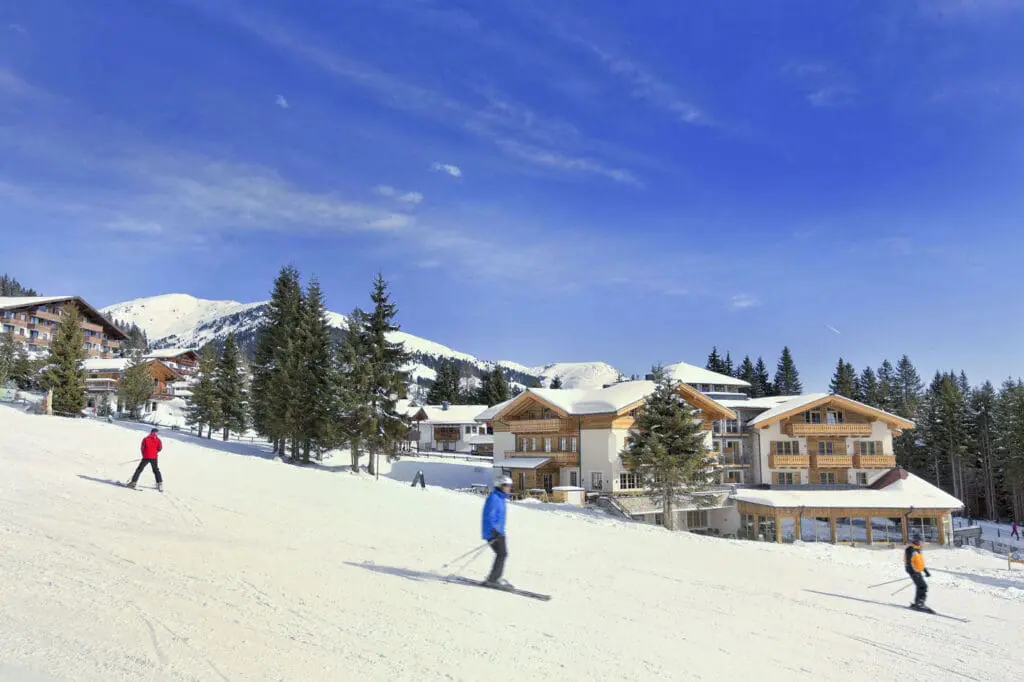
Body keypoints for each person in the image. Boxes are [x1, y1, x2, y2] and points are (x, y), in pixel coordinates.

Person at [481, 475, 512, 588]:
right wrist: (494, 532)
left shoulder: (500, 498)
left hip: (499, 532)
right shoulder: (494, 498)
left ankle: (494, 577)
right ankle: (493, 579)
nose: (509, 488)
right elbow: (488, 517)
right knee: (502, 554)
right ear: (500, 485)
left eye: (509, 485)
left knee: (502, 554)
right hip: (494, 532)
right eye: (506, 485)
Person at [904, 534, 931, 609]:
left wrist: (925, 571)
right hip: (912, 570)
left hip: (916, 571)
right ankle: (919, 603)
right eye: (919, 541)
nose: (920, 543)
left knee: (921, 586)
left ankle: (918, 602)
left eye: (921, 541)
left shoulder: (918, 549)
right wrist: (913, 572)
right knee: (923, 586)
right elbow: (909, 562)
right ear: (914, 541)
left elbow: (919, 562)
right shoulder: (910, 549)